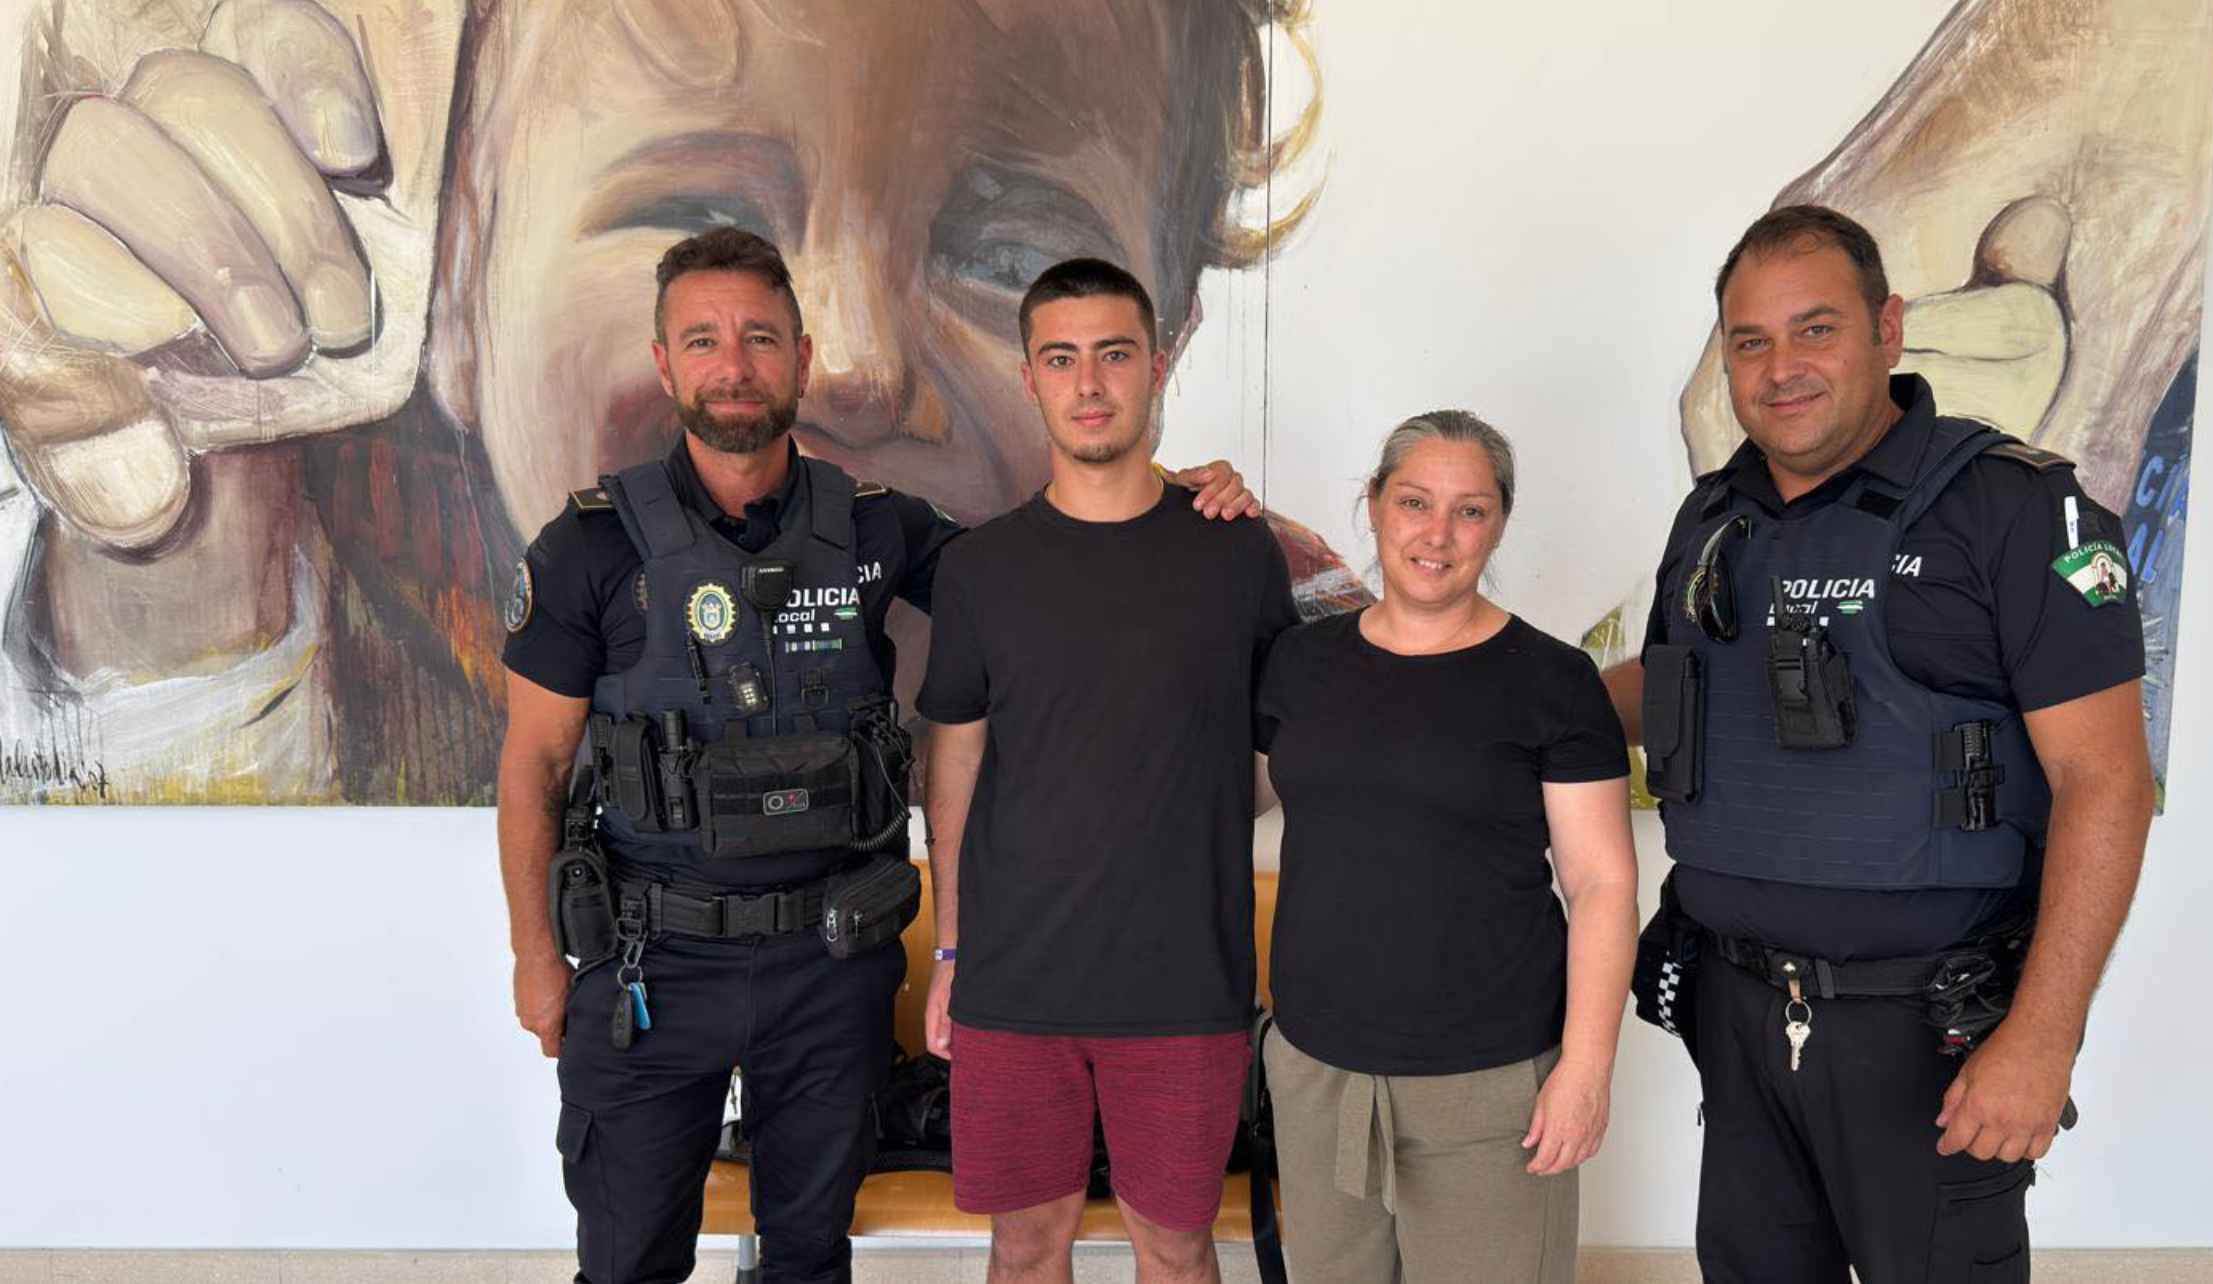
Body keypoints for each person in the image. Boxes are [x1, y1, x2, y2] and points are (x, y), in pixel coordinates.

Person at [0, 0, 1351, 804]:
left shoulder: (1245, 651)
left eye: (1007, 260)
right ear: (455, 290)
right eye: (695, 226)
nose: (859, 359)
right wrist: (178, 601)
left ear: (1158, 353)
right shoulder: (331, 598)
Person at [493, 229, 1257, 1284]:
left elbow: (1053, 572)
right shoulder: (588, 547)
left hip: (828, 963)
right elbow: (532, 768)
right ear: (664, 362)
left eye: (761, 338)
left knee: (810, 1256)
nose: (735, 365)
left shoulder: (878, 529)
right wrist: (537, 957)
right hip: (651, 959)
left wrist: (1185, 496)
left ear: (803, 358)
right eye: (704, 340)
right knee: (625, 1263)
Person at [1606, 205, 2155, 1282]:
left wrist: (2045, 1039)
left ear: (1888, 330)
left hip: (1930, 1031)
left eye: (1814, 330)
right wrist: (1496, 697)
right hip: (1740, 1014)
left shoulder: (2014, 509)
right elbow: (1665, 689)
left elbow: (2106, 783)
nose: (1779, 369)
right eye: (1748, 341)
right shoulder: (1714, 516)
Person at [917, 257, 1302, 1284]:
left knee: (1175, 1251)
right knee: (1025, 1246)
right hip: (1014, 984)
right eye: (1062, 358)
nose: (1089, 384)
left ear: (1159, 365)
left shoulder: (1235, 551)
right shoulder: (979, 569)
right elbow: (954, 767)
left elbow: (1282, 754)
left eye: (1114, 355)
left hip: (1183, 985)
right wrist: (951, 954)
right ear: (1028, 378)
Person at [1250, 411, 1638, 1283]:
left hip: (1492, 1083)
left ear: (1500, 523)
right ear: (1374, 505)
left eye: (1470, 511)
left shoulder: (1551, 681)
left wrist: (1584, 1069)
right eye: (1415, 501)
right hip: (1318, 1069)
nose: (1437, 533)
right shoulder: (1299, 665)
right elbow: (1234, 797)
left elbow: (1604, 884)